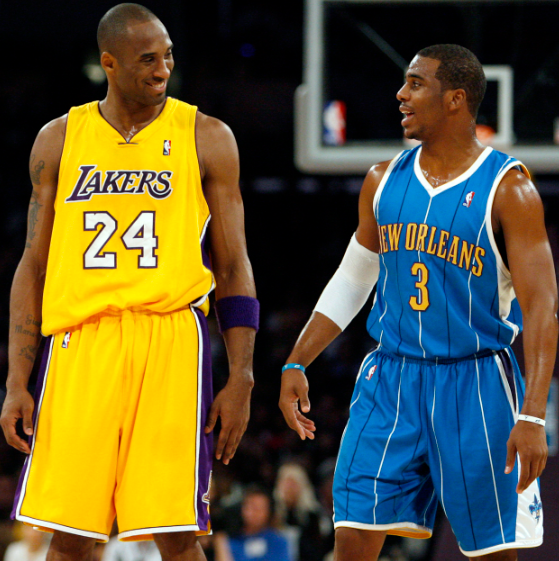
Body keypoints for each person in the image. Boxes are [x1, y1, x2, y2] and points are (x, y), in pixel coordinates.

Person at [279, 44, 557, 561]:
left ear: (455, 99)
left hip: (476, 384)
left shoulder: (510, 189)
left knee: (493, 554)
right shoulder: (382, 180)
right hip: (391, 377)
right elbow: (353, 278)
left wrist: (534, 415)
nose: (400, 95)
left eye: (415, 83)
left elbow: (543, 310)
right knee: (352, 536)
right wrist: (298, 359)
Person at [0, 4, 258, 561]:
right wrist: (17, 380)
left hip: (170, 339)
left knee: (177, 535)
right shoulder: (58, 139)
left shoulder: (207, 136)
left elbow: (233, 265)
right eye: (147, 59)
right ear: (109, 63)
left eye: (168, 56)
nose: (163, 69)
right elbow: (33, 265)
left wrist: (242, 374)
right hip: (81, 341)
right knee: (70, 536)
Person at [214, 485, 292, 561]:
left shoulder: (278, 542)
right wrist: (221, 544)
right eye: (249, 507)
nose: (253, 513)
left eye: (258, 509)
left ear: (268, 512)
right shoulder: (231, 540)